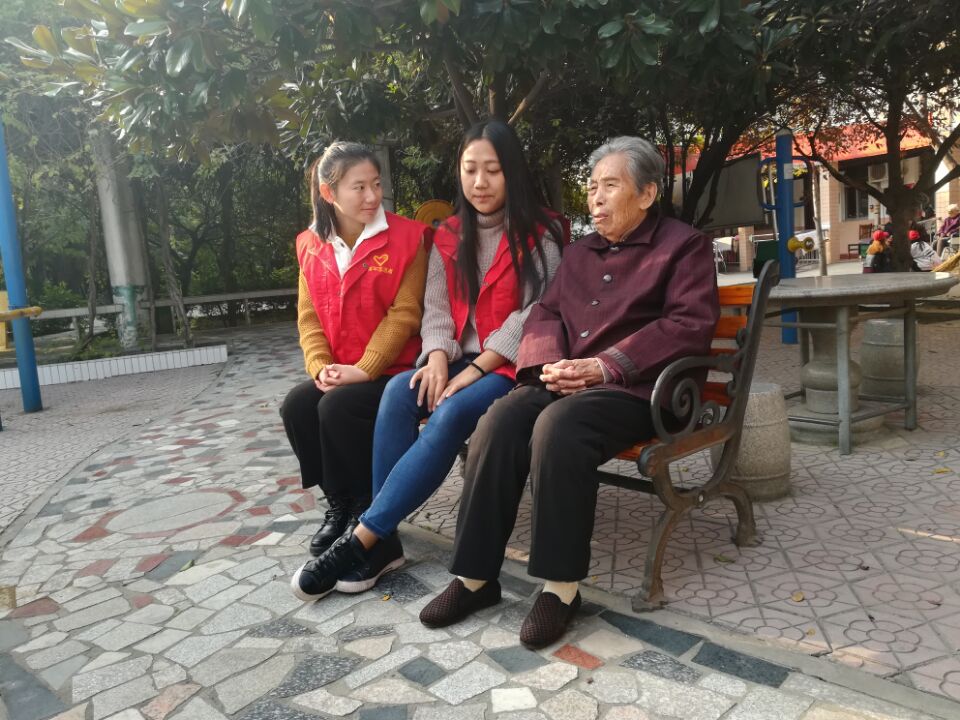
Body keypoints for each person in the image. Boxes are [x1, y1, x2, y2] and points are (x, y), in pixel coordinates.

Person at [417, 136, 720, 649]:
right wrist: (549, 367)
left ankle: (560, 590)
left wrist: (604, 367)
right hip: (570, 380)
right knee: (500, 419)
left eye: (610, 186)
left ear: (647, 194)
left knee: (558, 427)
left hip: (640, 390)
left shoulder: (683, 246)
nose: (595, 198)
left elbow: (687, 325)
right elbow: (545, 313)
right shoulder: (581, 252)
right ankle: (474, 578)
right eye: (592, 186)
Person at [291, 120, 563, 601]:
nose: (480, 182)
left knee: (451, 411)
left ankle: (365, 537)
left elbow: (536, 311)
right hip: (457, 358)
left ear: (512, 172)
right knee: (401, 390)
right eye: (470, 170)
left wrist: (476, 369)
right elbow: (434, 306)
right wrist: (436, 355)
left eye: (493, 170)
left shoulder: (542, 233)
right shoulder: (449, 234)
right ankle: (383, 540)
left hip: (508, 365)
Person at [279, 142, 429, 564]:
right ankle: (340, 502)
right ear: (330, 193)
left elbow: (406, 313)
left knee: (338, 408)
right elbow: (308, 316)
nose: (372, 196)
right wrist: (320, 367)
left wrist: (364, 369)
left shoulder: (409, 238)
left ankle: (367, 507)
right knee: (297, 406)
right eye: (358, 187)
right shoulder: (310, 244)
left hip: (395, 371)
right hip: (341, 370)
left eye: (376, 184)